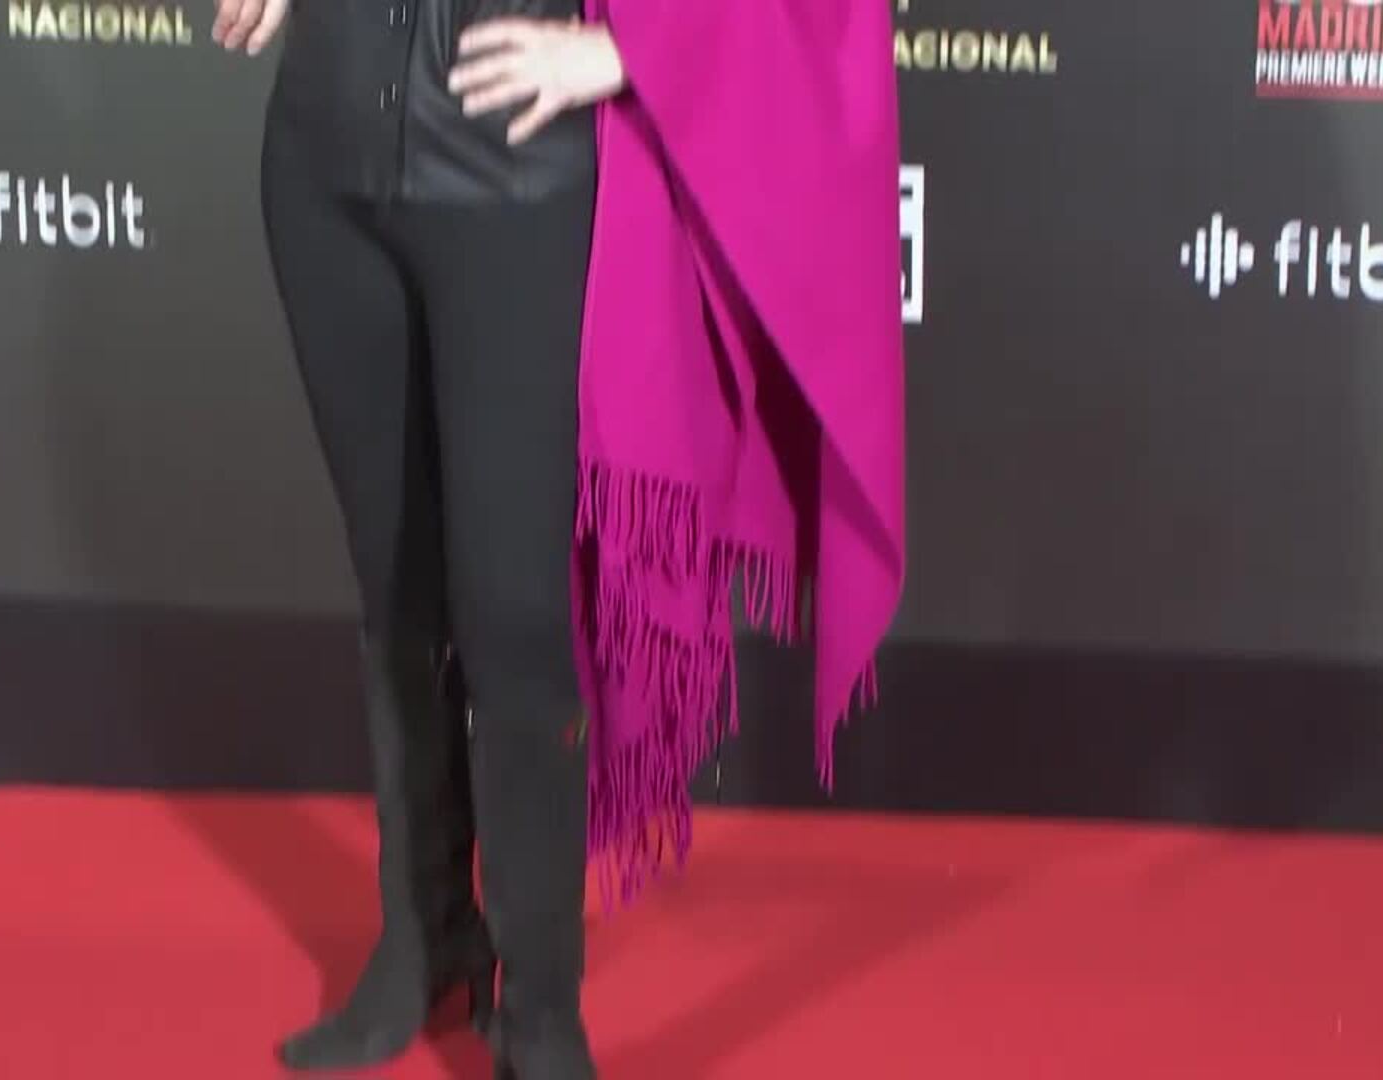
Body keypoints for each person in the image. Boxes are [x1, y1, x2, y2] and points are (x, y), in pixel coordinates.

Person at [212, 2, 905, 1077]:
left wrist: (628, 50)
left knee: (515, 617)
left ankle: (538, 1008)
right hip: (325, 160)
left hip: (520, 179)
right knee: (396, 591)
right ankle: (423, 938)